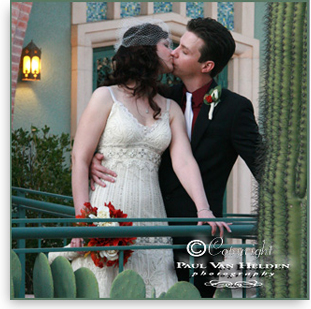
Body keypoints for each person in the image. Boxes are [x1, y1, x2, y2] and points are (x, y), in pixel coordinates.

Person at [90, 17, 262, 298]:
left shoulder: (235, 109)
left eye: (184, 50)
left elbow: (264, 168)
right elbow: (114, 127)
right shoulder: (159, 97)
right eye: (176, 45)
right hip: (150, 224)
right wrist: (98, 157)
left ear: (206, 66)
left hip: (200, 234)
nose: (173, 52)